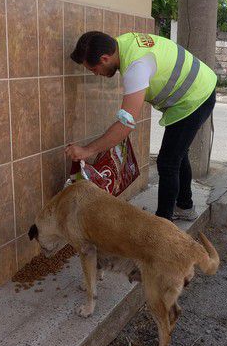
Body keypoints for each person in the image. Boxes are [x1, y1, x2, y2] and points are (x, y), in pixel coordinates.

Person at [66, 31, 216, 221]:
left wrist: (87, 150)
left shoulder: (136, 66)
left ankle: (162, 227)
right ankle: (184, 206)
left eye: (93, 69)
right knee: (177, 154)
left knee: (168, 162)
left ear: (105, 58)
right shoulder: (122, 44)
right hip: (198, 86)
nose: (96, 74)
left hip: (195, 97)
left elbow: (125, 124)